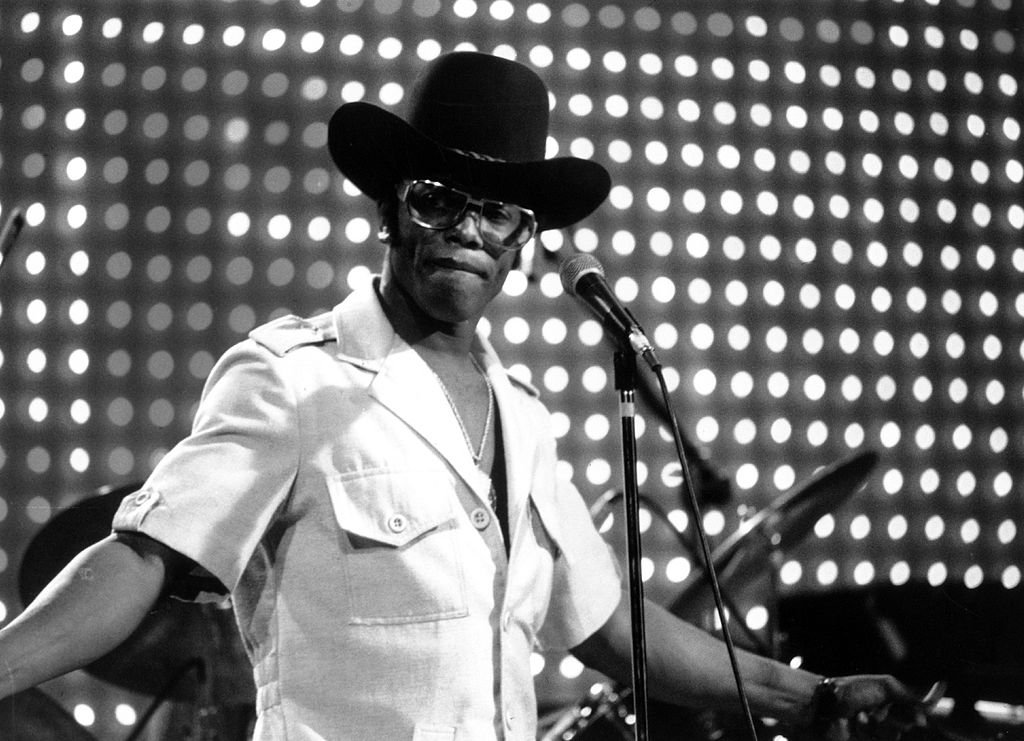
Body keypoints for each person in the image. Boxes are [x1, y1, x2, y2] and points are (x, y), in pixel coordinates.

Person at [0, 51, 927, 740]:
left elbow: (609, 628)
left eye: (496, 211)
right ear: (390, 211)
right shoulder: (293, 378)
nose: (466, 231)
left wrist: (804, 694)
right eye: (438, 200)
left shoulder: (523, 413)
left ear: (524, 241)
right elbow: (142, 558)